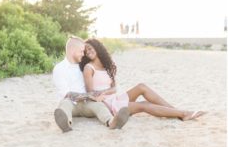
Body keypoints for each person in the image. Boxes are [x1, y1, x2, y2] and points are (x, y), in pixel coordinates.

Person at [79, 38, 207, 120]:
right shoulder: (89, 68)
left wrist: (108, 91)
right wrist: (106, 93)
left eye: (90, 48)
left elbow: (114, 88)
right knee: (143, 105)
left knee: (141, 86)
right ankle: (183, 114)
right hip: (107, 105)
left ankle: (176, 111)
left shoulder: (106, 66)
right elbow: (91, 94)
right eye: (85, 51)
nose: (88, 51)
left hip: (115, 98)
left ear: (97, 47)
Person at [52, 36, 130, 133]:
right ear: (73, 51)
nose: (83, 54)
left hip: (86, 103)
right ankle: (66, 123)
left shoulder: (82, 66)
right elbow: (67, 94)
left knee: (99, 106)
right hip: (70, 103)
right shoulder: (60, 68)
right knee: (64, 105)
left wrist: (97, 96)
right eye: (81, 51)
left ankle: (111, 122)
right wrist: (91, 95)